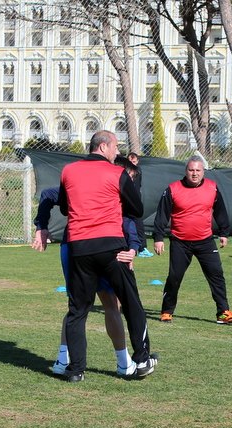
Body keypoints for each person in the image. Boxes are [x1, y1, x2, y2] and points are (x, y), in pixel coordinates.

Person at [58, 130, 156, 382]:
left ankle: (75, 370)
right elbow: (137, 208)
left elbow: (64, 206)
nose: (118, 152)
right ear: (103, 147)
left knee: (78, 310)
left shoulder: (68, 170)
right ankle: (142, 357)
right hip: (112, 247)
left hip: (79, 247)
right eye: (115, 147)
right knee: (130, 302)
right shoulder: (117, 173)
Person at [33, 186, 142, 377]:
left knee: (82, 306)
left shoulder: (81, 178)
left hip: (80, 245)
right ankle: (123, 364)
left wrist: (41, 226)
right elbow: (48, 195)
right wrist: (41, 226)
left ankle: (64, 361)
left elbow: (47, 195)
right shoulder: (100, 180)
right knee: (93, 304)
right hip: (96, 246)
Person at [152, 156, 232, 324]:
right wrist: (158, 238)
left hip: (205, 241)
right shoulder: (173, 189)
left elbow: (220, 211)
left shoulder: (212, 188)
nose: (194, 174)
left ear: (203, 172)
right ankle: (166, 311)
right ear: (186, 171)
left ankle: (223, 312)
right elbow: (162, 214)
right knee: (175, 277)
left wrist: (224, 233)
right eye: (191, 170)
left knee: (216, 275)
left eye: (198, 170)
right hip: (180, 241)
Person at [125, 152, 153, 258]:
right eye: (130, 161)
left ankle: (142, 248)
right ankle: (134, 247)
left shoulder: (137, 171)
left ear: (137, 162)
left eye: (134, 161)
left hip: (134, 203)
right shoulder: (125, 172)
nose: (132, 163)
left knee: (138, 223)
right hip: (127, 202)